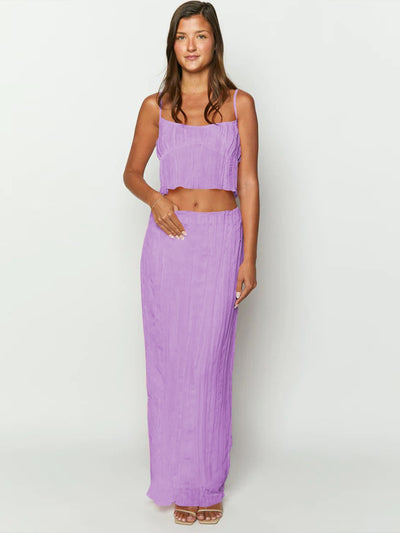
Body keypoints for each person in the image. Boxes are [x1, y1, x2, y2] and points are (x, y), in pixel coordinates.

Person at [123, 1, 259, 525]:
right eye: (182, 37)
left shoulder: (241, 103)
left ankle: (207, 483)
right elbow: (132, 172)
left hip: (222, 241)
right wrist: (156, 200)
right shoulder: (156, 106)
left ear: (214, 42)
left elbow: (249, 181)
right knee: (173, 365)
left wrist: (250, 255)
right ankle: (180, 482)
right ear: (172, 45)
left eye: (200, 36)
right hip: (170, 244)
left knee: (209, 365)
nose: (191, 46)